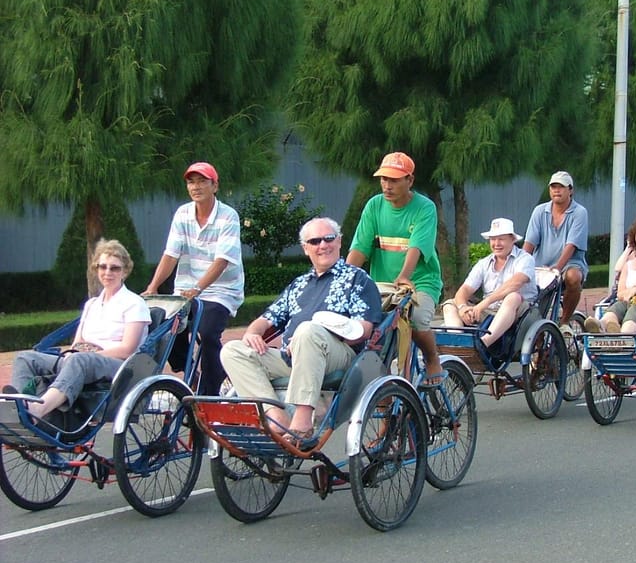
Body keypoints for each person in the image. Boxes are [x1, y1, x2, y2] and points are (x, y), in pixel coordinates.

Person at [220, 217, 382, 443]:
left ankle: (302, 420)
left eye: (328, 239)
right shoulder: (299, 284)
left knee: (308, 331)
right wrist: (253, 333)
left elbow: (363, 330)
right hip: (292, 357)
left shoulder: (357, 279)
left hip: (339, 356)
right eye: (315, 241)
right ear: (306, 249)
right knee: (232, 350)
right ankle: (274, 414)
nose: (322, 245)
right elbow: (266, 319)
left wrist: (323, 327)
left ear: (339, 242)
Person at [6, 240, 151, 422]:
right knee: (25, 358)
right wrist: (73, 353)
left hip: (117, 365)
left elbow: (127, 349)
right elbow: (78, 343)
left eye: (114, 268)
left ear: (125, 271)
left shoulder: (134, 303)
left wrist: (92, 354)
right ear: (96, 269)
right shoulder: (92, 304)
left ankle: (37, 411)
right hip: (83, 359)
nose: (107, 272)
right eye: (103, 267)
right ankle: (20, 405)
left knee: (79, 360)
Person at [143, 162, 244, 396]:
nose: (195, 187)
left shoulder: (228, 216)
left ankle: (210, 388)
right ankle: (187, 371)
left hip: (222, 290)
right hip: (185, 289)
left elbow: (222, 260)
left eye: (202, 181)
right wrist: (153, 286)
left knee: (208, 332)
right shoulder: (182, 213)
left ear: (215, 185)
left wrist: (199, 288)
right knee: (165, 325)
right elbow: (171, 254)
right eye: (191, 182)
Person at [346, 152, 445, 388]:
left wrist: (404, 276)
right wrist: (344, 278)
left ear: (409, 180)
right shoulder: (374, 205)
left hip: (420, 281)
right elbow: (360, 247)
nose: (387, 186)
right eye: (383, 179)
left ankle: (432, 359)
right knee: (373, 335)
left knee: (417, 320)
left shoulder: (425, 207)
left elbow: (417, 246)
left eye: (394, 180)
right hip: (382, 284)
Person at [442, 218, 537, 349]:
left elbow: (515, 283)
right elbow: (464, 290)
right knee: (450, 304)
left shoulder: (525, 259)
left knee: (512, 297)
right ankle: (459, 344)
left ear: (512, 239)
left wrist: (483, 304)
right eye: (493, 239)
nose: (496, 243)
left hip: (520, 312)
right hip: (489, 311)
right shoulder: (484, 263)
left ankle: (483, 344)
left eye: (501, 239)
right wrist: (462, 308)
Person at [522, 171, 589, 334]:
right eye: (553, 187)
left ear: (570, 190)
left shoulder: (579, 212)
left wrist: (557, 269)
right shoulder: (539, 211)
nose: (557, 190)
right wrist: (520, 265)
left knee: (573, 277)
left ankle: (565, 321)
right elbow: (529, 243)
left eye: (561, 187)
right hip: (541, 265)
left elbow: (571, 245)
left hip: (569, 265)